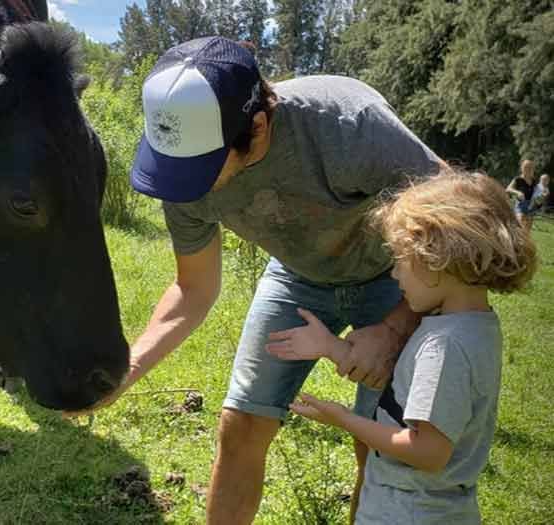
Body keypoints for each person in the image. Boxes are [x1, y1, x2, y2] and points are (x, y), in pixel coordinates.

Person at [67, 36, 443, 524]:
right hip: (297, 277)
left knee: (377, 442)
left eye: (201, 167)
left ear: (259, 127)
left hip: (399, 274)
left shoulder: (349, 127)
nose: (185, 186)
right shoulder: (181, 167)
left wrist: (395, 328)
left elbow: (450, 224)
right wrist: (127, 368)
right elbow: (193, 290)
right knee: (241, 423)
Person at [270, 171, 537, 524]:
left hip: (408, 511)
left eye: (400, 260)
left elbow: (427, 451)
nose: (395, 275)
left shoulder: (446, 345)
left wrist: (346, 420)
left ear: (438, 256)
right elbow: (418, 397)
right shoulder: (472, 325)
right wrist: (331, 347)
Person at [506, 159, 537, 232]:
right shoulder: (518, 179)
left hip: (531, 206)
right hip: (521, 205)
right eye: (526, 167)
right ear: (522, 168)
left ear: (533, 169)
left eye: (530, 167)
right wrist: (517, 192)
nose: (528, 169)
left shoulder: (534, 180)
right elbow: (508, 189)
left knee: (527, 229)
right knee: (520, 223)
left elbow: (536, 192)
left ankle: (524, 242)